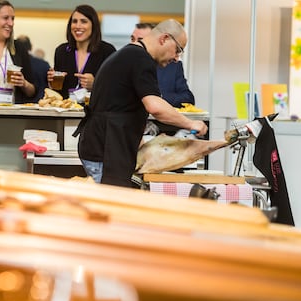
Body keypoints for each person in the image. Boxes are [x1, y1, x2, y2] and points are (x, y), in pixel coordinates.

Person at [76, 19, 208, 187]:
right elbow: (154, 106)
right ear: (164, 38)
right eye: (178, 50)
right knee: (108, 207)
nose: (177, 58)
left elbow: (121, 105)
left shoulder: (131, 55)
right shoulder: (139, 58)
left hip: (105, 146)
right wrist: (191, 123)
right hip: (105, 150)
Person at [47, 4, 116, 99]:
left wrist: (95, 84)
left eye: (84, 22)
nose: (78, 26)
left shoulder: (107, 51)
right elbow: (58, 91)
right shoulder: (62, 51)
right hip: (67, 110)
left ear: (93, 25)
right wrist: (51, 82)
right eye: (74, 21)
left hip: (96, 111)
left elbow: (116, 87)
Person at [131, 22, 195, 108]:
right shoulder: (127, 63)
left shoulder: (173, 66)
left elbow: (187, 98)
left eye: (140, 40)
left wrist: (156, 99)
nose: (135, 43)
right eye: (132, 39)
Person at [17, 34, 50, 102]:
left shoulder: (15, 64)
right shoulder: (44, 64)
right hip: (41, 102)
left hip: (20, 104)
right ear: (31, 46)